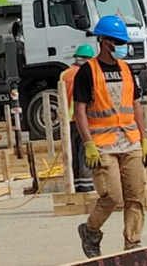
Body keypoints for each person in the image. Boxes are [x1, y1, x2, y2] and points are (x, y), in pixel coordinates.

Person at [73, 15, 147, 258]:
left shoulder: (126, 69)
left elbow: (136, 105)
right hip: (103, 144)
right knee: (112, 196)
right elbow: (80, 110)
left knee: (136, 195)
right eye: (119, 42)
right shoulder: (88, 71)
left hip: (130, 141)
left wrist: (144, 140)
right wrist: (89, 144)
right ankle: (91, 230)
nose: (123, 47)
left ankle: (133, 242)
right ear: (106, 42)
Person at [59, 44, 96, 193]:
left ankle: (74, 185)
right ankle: (87, 186)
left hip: (67, 121)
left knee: (72, 155)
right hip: (83, 119)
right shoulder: (88, 73)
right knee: (85, 152)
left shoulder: (64, 74)